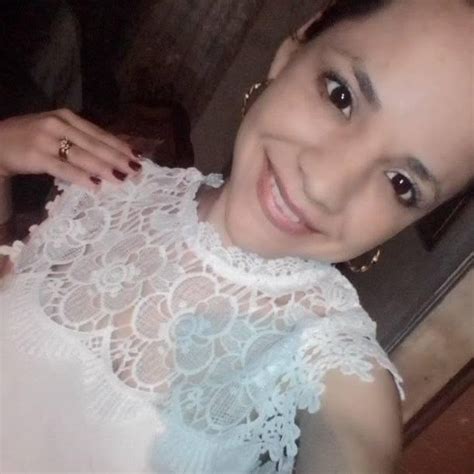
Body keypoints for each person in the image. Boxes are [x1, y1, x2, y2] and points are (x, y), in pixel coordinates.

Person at [0, 0, 472, 472]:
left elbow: (354, 441)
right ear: (292, 52)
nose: (324, 185)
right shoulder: (116, 184)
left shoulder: (332, 368)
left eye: (401, 184)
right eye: (340, 96)